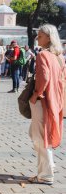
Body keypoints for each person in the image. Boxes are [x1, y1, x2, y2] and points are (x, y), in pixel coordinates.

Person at [28, 24, 65, 185]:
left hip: (43, 100)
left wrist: (35, 95)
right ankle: (46, 169)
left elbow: (44, 78)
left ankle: (46, 174)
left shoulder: (43, 55)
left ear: (49, 37)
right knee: (40, 135)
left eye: (40, 35)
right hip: (55, 100)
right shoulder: (58, 56)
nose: (37, 38)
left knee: (40, 138)